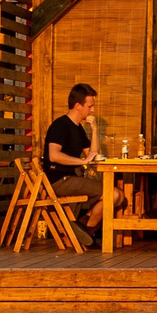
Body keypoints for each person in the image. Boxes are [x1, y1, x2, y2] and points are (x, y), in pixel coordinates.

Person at [42, 84, 104, 227]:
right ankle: (85, 230)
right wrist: (81, 161)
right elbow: (53, 155)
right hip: (60, 180)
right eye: (90, 106)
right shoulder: (61, 125)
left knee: (116, 195)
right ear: (78, 106)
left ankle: (81, 228)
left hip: (72, 178)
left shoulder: (78, 128)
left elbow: (92, 155)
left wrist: (94, 130)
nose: (92, 110)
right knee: (113, 194)